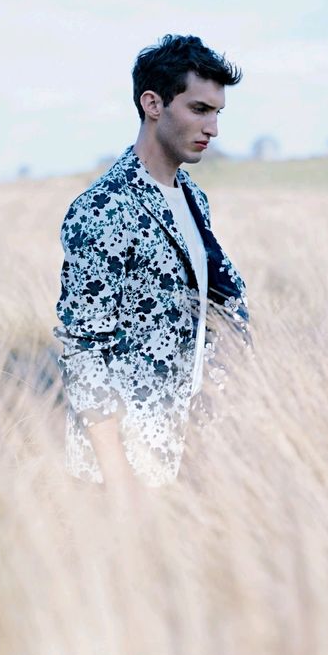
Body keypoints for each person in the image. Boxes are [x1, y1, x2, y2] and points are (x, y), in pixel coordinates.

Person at [53, 34, 250, 502]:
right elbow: (83, 349)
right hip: (125, 472)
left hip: (191, 451)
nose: (213, 128)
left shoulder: (193, 197)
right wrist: (118, 479)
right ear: (153, 104)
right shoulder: (104, 207)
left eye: (218, 113)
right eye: (200, 109)